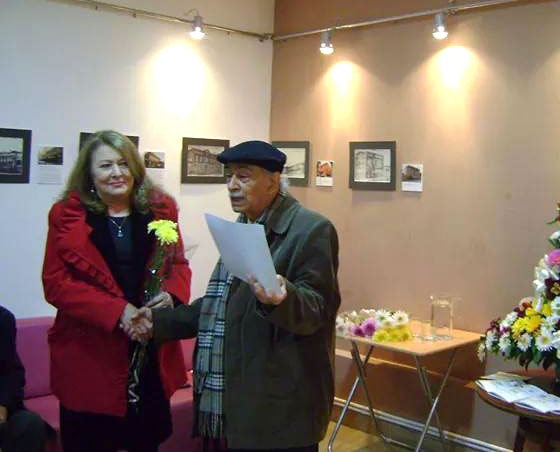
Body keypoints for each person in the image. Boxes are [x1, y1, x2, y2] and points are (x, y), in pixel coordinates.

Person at [144, 140, 340, 452]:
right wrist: (157, 321)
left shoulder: (311, 229)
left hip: (283, 407)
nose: (232, 185)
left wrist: (282, 298)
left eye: (243, 176)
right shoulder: (244, 226)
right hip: (244, 401)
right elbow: (221, 306)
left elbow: (318, 310)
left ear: (273, 181)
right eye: (229, 176)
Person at [41, 130, 191, 452]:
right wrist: (118, 311)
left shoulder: (162, 208)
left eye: (124, 164)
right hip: (89, 356)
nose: (117, 173)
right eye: (105, 165)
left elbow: (178, 264)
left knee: (145, 441)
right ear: (89, 173)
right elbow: (56, 283)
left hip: (147, 348)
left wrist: (170, 296)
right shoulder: (66, 215)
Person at [0, 305, 49, 452]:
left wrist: (2, 407)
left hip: (4, 409)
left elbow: (12, 374)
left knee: (29, 424)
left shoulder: (3, 319)